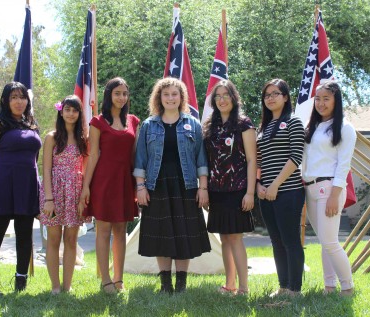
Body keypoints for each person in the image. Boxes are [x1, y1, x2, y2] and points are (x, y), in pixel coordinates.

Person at [134, 77, 211, 293]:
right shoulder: (149, 125)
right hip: (156, 186)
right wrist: (141, 188)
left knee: (183, 233)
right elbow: (140, 159)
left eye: (174, 94)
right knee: (161, 234)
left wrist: (203, 188)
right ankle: (165, 284)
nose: (170, 98)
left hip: (186, 186)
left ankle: (182, 284)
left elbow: (201, 160)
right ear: (159, 97)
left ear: (181, 97)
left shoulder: (193, 124)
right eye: (166, 94)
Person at [0, 82, 41, 296]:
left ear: (27, 100)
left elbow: (35, 158)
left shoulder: (32, 124)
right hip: (3, 184)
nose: (18, 101)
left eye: (22, 97)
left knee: (25, 233)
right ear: (5, 100)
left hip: (28, 185)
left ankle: (21, 281)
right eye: (13, 97)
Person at [78, 77, 140, 293]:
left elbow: (134, 155)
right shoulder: (97, 122)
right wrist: (86, 186)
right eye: (117, 93)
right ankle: (105, 280)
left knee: (121, 229)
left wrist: (138, 183)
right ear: (109, 95)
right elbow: (93, 155)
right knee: (103, 230)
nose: (121, 97)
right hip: (103, 181)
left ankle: (119, 278)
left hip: (125, 180)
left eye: (124, 93)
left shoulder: (133, 121)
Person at [202, 80, 256, 295]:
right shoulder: (210, 126)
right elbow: (206, 160)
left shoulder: (244, 124)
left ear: (234, 98)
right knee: (224, 237)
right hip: (216, 191)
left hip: (238, 190)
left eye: (226, 95)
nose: (222, 99)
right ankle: (230, 284)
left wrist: (250, 193)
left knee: (235, 237)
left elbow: (252, 160)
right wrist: (204, 188)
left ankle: (244, 288)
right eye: (218, 96)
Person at [302, 81, 356, 296]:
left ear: (336, 100)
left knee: (330, 242)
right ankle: (329, 286)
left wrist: (335, 195)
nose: (321, 103)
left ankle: (348, 288)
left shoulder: (345, 127)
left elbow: (344, 165)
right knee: (324, 241)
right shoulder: (311, 126)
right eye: (318, 99)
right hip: (310, 187)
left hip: (330, 188)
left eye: (326, 99)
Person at [256, 78, 305, 296]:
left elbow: (296, 156)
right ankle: (283, 286)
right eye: (267, 95)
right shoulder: (263, 128)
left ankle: (295, 289)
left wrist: (275, 184)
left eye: (275, 93)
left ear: (285, 97)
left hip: (289, 191)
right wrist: (259, 184)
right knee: (276, 241)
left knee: (290, 240)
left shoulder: (293, 122)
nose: (270, 98)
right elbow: (259, 160)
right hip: (266, 194)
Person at [39, 95, 90, 294]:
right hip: (54, 192)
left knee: (71, 240)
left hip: (75, 193)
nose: (71, 114)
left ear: (79, 114)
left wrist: (83, 197)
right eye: (67, 109)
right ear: (61, 111)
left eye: (75, 110)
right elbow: (46, 170)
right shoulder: (52, 137)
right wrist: (49, 199)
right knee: (53, 239)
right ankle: (55, 287)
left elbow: (85, 168)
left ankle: (67, 286)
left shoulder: (83, 139)